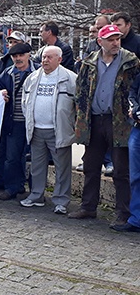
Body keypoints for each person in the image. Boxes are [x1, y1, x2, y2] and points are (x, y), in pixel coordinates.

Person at [69, 24, 139, 229]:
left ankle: (123, 213)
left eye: (117, 38)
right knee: (91, 166)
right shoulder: (89, 62)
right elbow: (80, 91)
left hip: (119, 121)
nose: (115, 42)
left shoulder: (130, 61)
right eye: (111, 39)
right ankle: (88, 206)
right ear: (100, 42)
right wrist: (80, 118)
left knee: (120, 170)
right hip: (94, 119)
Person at [20, 46, 76, 214]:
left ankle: (61, 200)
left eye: (50, 57)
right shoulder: (33, 78)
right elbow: (25, 101)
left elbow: (78, 106)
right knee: (37, 166)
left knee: (62, 168)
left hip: (58, 130)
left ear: (59, 60)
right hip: (37, 130)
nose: (45, 60)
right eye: (44, 57)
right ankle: (36, 195)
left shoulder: (70, 79)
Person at [0, 42, 39, 201]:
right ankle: (12, 187)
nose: (18, 59)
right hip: (14, 122)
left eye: (21, 55)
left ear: (29, 54)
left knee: (36, 159)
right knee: (12, 158)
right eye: (15, 56)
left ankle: (36, 191)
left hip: (35, 123)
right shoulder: (5, 74)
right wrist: (0, 94)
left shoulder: (39, 72)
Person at [114, 73, 140, 231]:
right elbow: (133, 91)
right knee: (136, 177)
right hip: (137, 129)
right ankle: (136, 219)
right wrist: (135, 108)